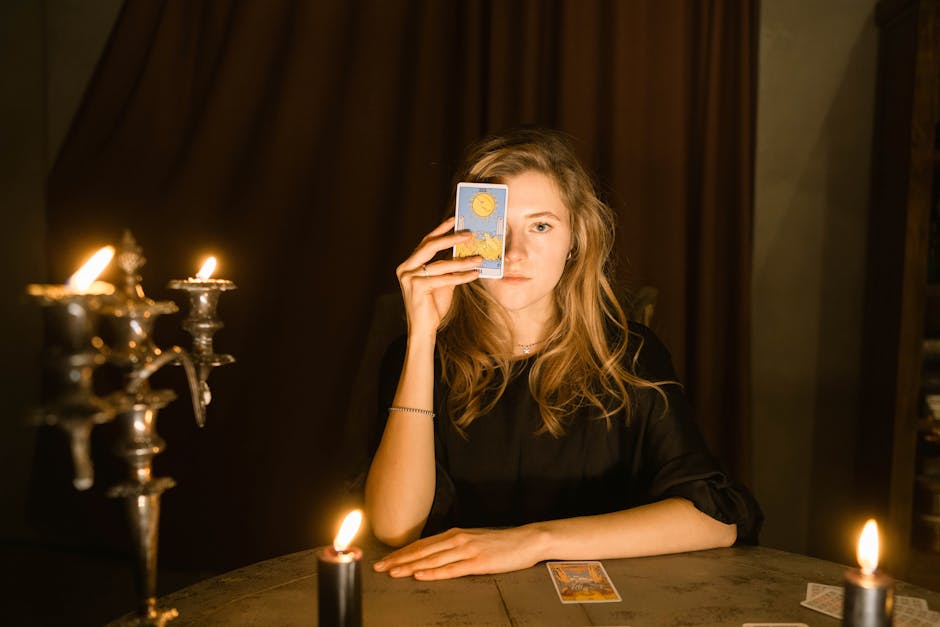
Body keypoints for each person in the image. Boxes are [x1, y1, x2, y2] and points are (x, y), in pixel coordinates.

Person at [364, 127, 762, 581]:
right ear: (462, 234)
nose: (516, 253)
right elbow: (396, 527)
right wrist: (422, 338)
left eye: (540, 225)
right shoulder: (419, 355)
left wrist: (533, 542)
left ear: (574, 240)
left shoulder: (630, 355)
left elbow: (714, 519)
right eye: (497, 228)